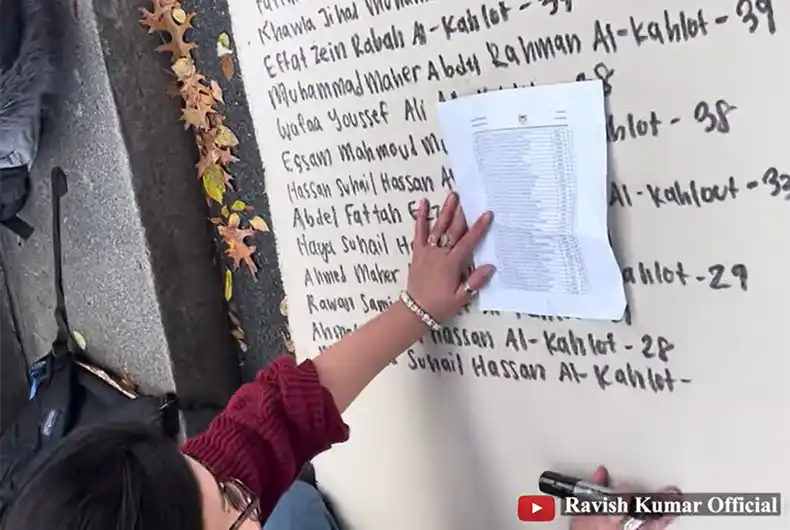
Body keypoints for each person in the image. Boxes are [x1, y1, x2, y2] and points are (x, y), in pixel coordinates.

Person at [0, 192, 679, 530]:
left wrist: (415, 309)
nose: (242, 497)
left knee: (292, 505)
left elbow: (276, 417)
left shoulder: (191, 492)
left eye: (220, 487)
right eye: (232, 513)